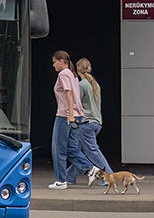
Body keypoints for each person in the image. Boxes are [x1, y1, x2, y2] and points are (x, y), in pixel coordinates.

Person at [47, 50, 85, 189]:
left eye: (54, 62)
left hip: (65, 115)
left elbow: (68, 93)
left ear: (62, 61)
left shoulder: (63, 74)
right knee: (72, 148)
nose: (53, 65)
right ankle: (91, 169)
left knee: (58, 148)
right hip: (78, 114)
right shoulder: (73, 75)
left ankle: (61, 180)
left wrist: (70, 114)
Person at [75, 57, 112, 186]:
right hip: (97, 122)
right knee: (78, 150)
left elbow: (76, 104)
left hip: (86, 123)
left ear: (77, 69)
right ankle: (70, 176)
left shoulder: (81, 85)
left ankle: (108, 176)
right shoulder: (95, 84)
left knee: (91, 150)